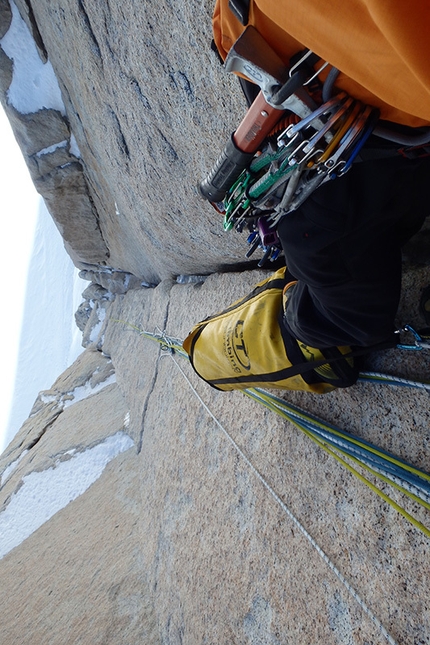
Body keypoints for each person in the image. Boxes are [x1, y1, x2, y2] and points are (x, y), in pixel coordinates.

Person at [204, 0, 430, 388]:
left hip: (334, 77)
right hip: (297, 56)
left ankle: (301, 318)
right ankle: (300, 305)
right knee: (310, 238)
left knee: (315, 248)